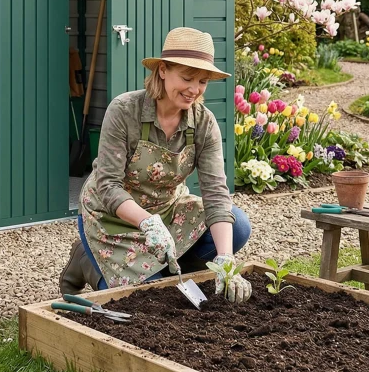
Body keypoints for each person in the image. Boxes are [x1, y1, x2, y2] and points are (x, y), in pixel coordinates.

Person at [59, 26, 252, 303]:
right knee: (146, 297)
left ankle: (170, 272)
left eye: (203, 82)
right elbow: (108, 185)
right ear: (162, 70)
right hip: (113, 219)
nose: (194, 90)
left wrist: (225, 260)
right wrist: (147, 222)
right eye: (187, 78)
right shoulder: (125, 110)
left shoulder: (203, 123)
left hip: (168, 210)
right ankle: (85, 260)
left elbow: (215, 193)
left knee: (239, 226)